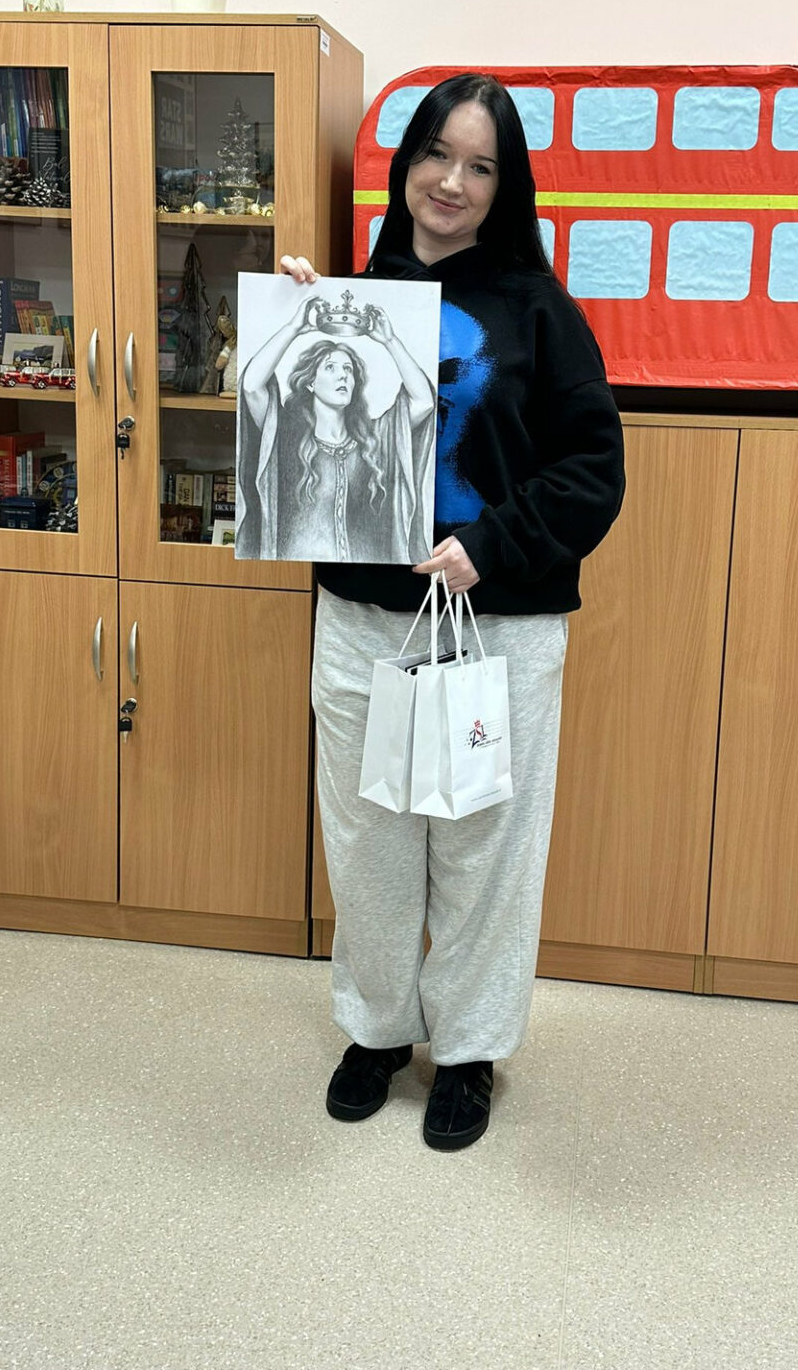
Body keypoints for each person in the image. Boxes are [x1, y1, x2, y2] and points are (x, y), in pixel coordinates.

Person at [280, 72, 625, 1150]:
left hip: (497, 627)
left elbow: (592, 472)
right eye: (437, 153)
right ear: (407, 161)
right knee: (371, 842)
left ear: (506, 186)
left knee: (484, 845)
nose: (452, 182)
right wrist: (289, 327)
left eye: (481, 166)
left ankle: (469, 1050)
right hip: (366, 620)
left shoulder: (541, 311)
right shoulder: (350, 299)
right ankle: (379, 1029)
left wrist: (493, 544)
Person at [233, 294, 435, 563]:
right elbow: (251, 387)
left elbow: (423, 402)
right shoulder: (285, 436)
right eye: (331, 368)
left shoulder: (374, 440)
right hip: (295, 572)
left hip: (365, 577)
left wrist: (390, 341)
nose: (343, 375)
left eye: (348, 370)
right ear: (310, 382)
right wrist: (293, 329)